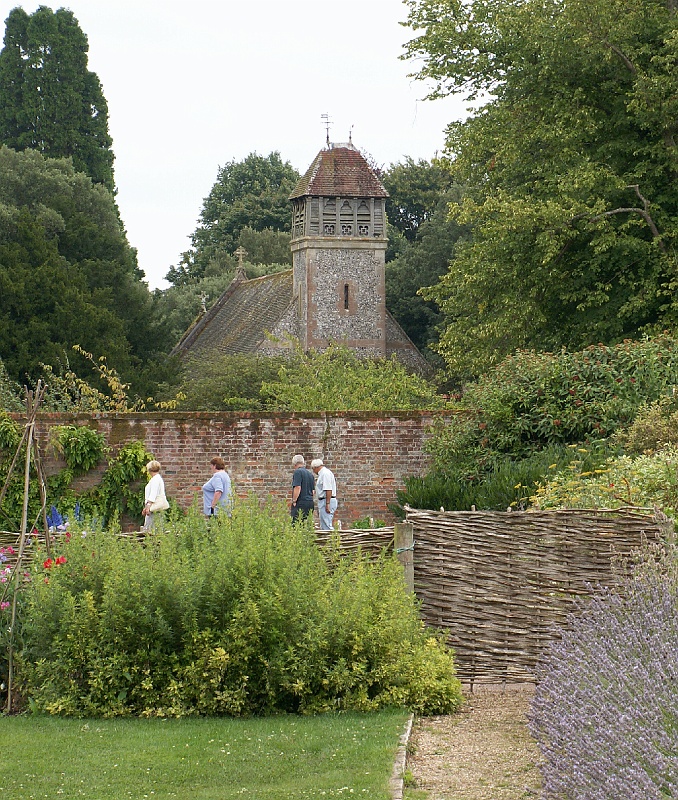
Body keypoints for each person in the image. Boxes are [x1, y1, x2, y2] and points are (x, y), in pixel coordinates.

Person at [311, 458, 338, 530]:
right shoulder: (323, 474)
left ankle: (330, 539)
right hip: (324, 501)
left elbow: (328, 489)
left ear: (315, 467)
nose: (314, 471)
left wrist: (327, 503)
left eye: (313, 469)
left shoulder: (325, 474)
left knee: (327, 525)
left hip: (326, 500)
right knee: (324, 524)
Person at [290, 454, 315, 524]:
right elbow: (313, 491)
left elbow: (297, 487)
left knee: (296, 523)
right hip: (310, 502)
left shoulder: (298, 472)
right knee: (306, 523)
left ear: (294, 463)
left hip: (301, 502)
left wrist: (294, 500)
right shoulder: (310, 474)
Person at [142, 460, 166, 530]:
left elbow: (153, 494)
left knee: (150, 529)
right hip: (155, 508)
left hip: (154, 508)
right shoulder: (157, 479)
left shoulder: (155, 479)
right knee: (156, 527)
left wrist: (148, 507)